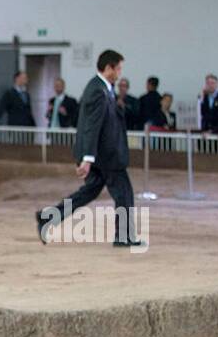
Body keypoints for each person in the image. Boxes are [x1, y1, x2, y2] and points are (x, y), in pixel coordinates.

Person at [36, 49, 140, 248]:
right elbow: (92, 126)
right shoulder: (97, 90)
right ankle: (124, 236)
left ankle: (48, 217)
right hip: (105, 156)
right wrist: (87, 158)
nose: (120, 73)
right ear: (108, 68)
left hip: (102, 155)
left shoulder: (103, 88)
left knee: (90, 192)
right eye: (118, 68)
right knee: (124, 193)